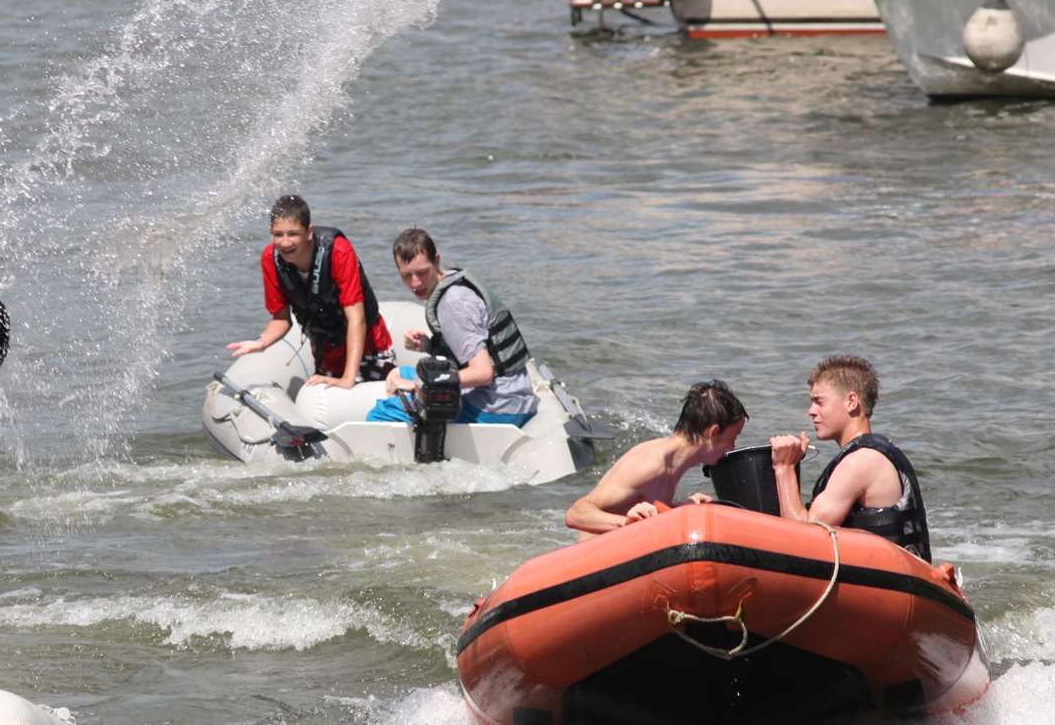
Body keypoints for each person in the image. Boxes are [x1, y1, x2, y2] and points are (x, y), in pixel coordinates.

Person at [365, 228, 539, 426]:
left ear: (436, 260)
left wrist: (418, 385)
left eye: (422, 272)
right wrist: (429, 346)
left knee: (379, 416)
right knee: (397, 374)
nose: (415, 283)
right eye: (406, 275)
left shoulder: (453, 303)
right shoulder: (451, 283)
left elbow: (483, 373)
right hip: (512, 396)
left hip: (497, 407)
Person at [769, 355, 931, 560]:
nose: (811, 412)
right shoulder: (877, 451)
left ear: (851, 402)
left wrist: (784, 467)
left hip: (884, 585)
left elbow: (801, 538)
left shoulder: (861, 462)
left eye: (819, 402)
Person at [226, 194, 396, 389]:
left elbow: (357, 318)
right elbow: (281, 319)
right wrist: (261, 343)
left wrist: (348, 379)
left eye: (293, 234)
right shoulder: (270, 260)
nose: (285, 243)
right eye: (278, 234)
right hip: (326, 348)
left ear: (309, 232)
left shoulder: (338, 251)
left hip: (368, 342)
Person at [566, 381, 748, 534]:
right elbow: (576, 513)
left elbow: (644, 508)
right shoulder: (649, 464)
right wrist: (626, 524)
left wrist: (682, 507)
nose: (733, 447)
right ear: (713, 432)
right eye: (734, 437)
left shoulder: (673, 466)